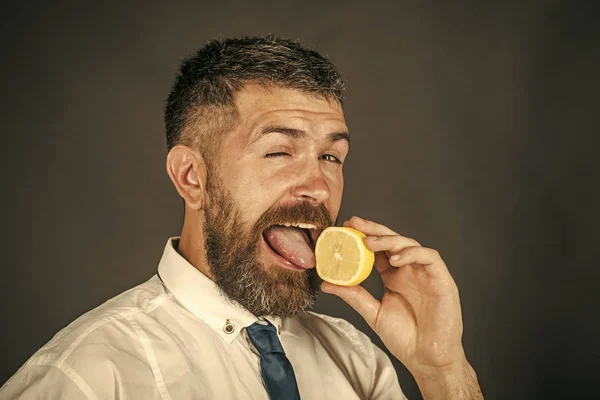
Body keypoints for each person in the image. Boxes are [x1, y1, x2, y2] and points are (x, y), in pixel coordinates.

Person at [0, 35, 483, 399]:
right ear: (191, 177)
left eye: (331, 158)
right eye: (279, 151)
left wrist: (442, 371)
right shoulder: (87, 377)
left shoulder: (357, 360)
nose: (318, 186)